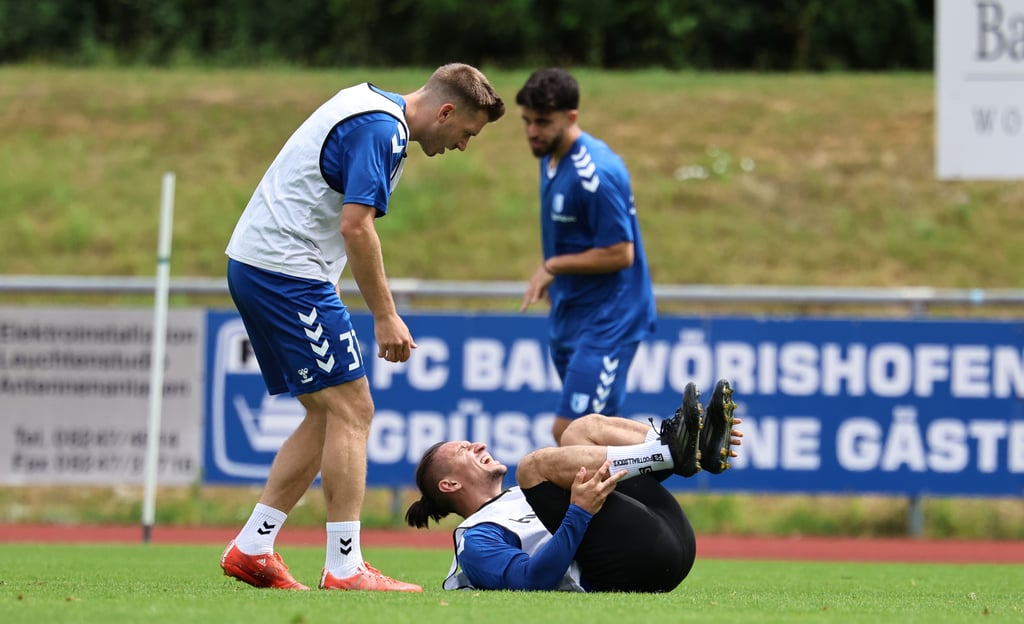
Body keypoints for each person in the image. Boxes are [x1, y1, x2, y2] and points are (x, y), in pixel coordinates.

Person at [220, 64, 505, 592]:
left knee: (329, 414)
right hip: (288, 273)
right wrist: (385, 314)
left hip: (261, 265)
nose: (463, 145)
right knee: (355, 408)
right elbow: (356, 225)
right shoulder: (383, 130)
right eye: (466, 133)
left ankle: (254, 547)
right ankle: (345, 567)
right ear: (445, 112)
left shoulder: (367, 104)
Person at [405, 379, 740, 592]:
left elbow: (625, 483)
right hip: (634, 566)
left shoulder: (529, 492)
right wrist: (577, 513)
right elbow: (531, 579)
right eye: (464, 450)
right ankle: (672, 451)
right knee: (534, 464)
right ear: (449, 484)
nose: (477, 445)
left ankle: (691, 451)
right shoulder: (476, 537)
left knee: (578, 432)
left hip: (670, 532)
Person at [516, 67, 657, 445]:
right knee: (603, 439)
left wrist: (552, 266)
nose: (532, 131)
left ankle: (678, 446)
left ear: (571, 117)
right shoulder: (550, 157)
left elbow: (620, 252)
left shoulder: (596, 172)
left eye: (542, 122)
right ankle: (635, 500)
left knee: (571, 434)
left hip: (610, 319)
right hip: (573, 315)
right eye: (527, 121)